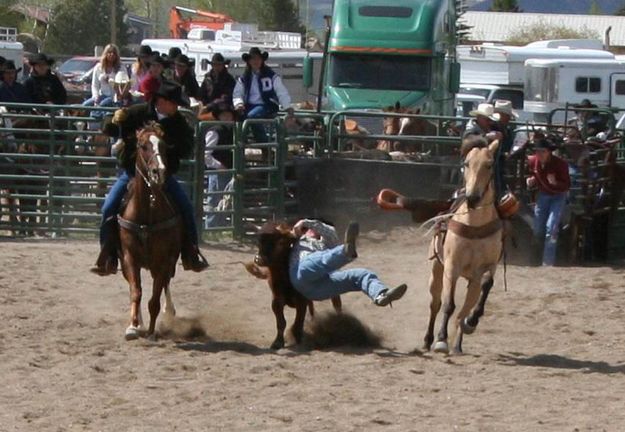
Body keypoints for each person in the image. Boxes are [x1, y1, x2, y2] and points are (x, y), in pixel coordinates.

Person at [92, 80, 209, 275]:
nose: (176, 107)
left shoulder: (179, 122)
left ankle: (192, 253)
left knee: (186, 207)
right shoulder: (138, 113)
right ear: (162, 101)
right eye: (174, 103)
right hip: (133, 173)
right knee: (109, 207)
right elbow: (108, 128)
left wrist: (164, 148)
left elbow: (187, 147)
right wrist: (114, 120)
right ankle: (107, 255)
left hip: (163, 175)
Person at [289, 220, 408, 306]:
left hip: (316, 290)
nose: (312, 231)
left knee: (361, 274)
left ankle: (381, 295)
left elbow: (330, 232)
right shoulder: (296, 240)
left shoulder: (326, 243)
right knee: (321, 259)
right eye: (309, 230)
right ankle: (345, 252)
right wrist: (296, 231)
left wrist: (306, 222)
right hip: (301, 271)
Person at [526, 137, 571, 266]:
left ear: (549, 152)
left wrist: (556, 183)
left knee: (551, 228)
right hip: (543, 195)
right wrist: (530, 179)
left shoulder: (561, 164)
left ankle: (547, 262)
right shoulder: (533, 161)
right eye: (538, 151)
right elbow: (529, 173)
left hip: (558, 196)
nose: (540, 154)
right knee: (538, 229)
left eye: (543, 151)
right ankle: (535, 259)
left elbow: (567, 185)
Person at [233, 47, 292, 143]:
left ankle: (263, 144)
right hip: (248, 106)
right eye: (253, 59)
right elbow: (237, 93)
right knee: (238, 118)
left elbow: (281, 91)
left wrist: (287, 106)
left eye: (258, 59)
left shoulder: (271, 75)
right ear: (249, 61)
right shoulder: (244, 78)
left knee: (252, 117)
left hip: (266, 104)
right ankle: (240, 145)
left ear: (262, 60)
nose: (255, 61)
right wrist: (239, 104)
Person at [203, 102, 236, 227]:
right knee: (215, 199)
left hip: (228, 169)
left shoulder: (230, 130)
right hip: (218, 171)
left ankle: (218, 227)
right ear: (219, 117)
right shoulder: (215, 131)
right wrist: (218, 165)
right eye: (224, 116)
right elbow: (205, 154)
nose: (227, 118)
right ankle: (211, 227)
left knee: (225, 200)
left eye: (229, 115)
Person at [82, 43, 121, 115]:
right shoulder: (98, 67)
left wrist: (110, 81)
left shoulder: (121, 68)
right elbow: (95, 85)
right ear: (105, 54)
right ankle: (83, 125)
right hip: (101, 95)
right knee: (84, 105)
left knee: (102, 105)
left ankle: (97, 121)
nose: (111, 54)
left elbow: (122, 85)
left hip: (113, 97)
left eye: (114, 53)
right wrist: (96, 97)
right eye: (109, 52)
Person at [492, 99, 517, 198]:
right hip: (495, 161)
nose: (509, 118)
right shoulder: (493, 128)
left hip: (501, 162)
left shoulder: (507, 129)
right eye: (507, 115)